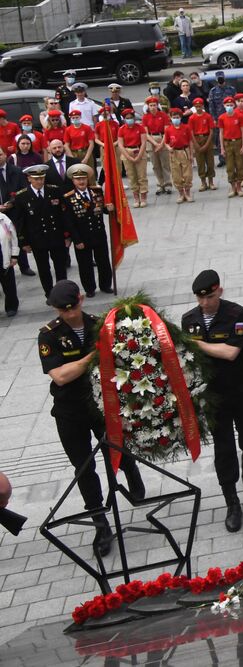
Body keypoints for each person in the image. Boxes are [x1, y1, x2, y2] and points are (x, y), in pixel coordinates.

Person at [39, 281, 146, 558]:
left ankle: (130, 470)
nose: (70, 313)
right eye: (63, 310)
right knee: (84, 467)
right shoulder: (49, 335)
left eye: (73, 307)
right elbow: (60, 376)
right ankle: (100, 522)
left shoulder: (100, 325)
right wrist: (92, 358)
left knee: (116, 448)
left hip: (100, 405)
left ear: (81, 300)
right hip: (69, 411)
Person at [182, 270, 243, 532]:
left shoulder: (237, 314)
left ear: (220, 292)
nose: (205, 303)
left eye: (211, 297)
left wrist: (197, 344)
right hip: (213, 393)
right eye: (201, 298)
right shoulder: (189, 320)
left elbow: (230, 352)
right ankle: (232, 501)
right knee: (223, 447)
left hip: (242, 387)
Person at [13, 164, 69, 297]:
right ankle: (49, 293)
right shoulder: (22, 196)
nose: (39, 181)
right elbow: (20, 221)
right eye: (36, 179)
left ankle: (62, 293)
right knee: (44, 269)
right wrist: (24, 242)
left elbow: (63, 215)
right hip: (37, 238)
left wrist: (67, 235)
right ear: (29, 179)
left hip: (56, 235)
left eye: (42, 178)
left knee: (60, 266)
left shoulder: (54, 191)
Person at [59, 165, 113, 297]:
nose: (81, 182)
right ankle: (89, 288)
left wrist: (109, 208)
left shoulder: (97, 191)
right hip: (82, 237)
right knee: (85, 265)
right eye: (78, 179)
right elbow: (69, 222)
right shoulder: (69, 197)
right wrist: (76, 240)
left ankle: (105, 285)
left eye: (83, 178)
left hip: (99, 234)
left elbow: (102, 210)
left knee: (104, 261)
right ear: (73, 181)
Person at [0, 207, 16, 316]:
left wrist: (14, 255)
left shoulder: (3, 218)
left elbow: (14, 238)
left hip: (3, 255)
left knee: (8, 282)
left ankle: (11, 306)